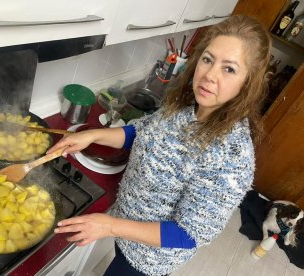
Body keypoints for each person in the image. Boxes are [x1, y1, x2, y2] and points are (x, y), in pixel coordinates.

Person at [47, 14, 272, 276]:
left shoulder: (232, 156)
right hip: (126, 231)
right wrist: (92, 135)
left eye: (229, 68)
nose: (210, 75)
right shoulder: (187, 108)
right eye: (208, 59)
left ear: (249, 82)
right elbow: (142, 132)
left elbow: (189, 233)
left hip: (148, 259)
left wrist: (110, 226)